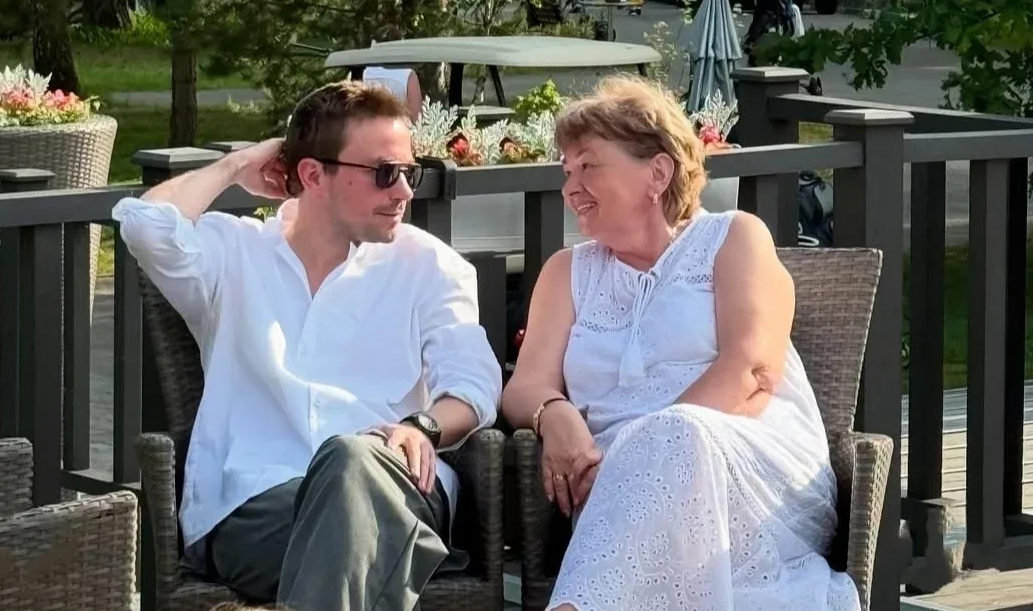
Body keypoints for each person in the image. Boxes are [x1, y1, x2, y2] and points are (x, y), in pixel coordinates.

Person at [113, 81, 501, 611]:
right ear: (314, 175)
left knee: (351, 460)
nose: (404, 192)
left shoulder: (429, 266)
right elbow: (144, 225)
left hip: (394, 483)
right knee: (355, 528)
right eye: (384, 173)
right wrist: (236, 165)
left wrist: (422, 427)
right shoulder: (234, 254)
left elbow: (473, 384)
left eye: (410, 173)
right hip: (259, 507)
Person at [501, 76, 858, 611]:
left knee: (677, 432)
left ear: (658, 172)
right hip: (612, 497)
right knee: (663, 453)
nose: (571, 188)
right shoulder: (565, 272)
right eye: (567, 171)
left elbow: (752, 370)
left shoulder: (733, 237)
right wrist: (555, 415)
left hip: (753, 476)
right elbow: (524, 386)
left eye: (589, 166)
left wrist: (639, 451)